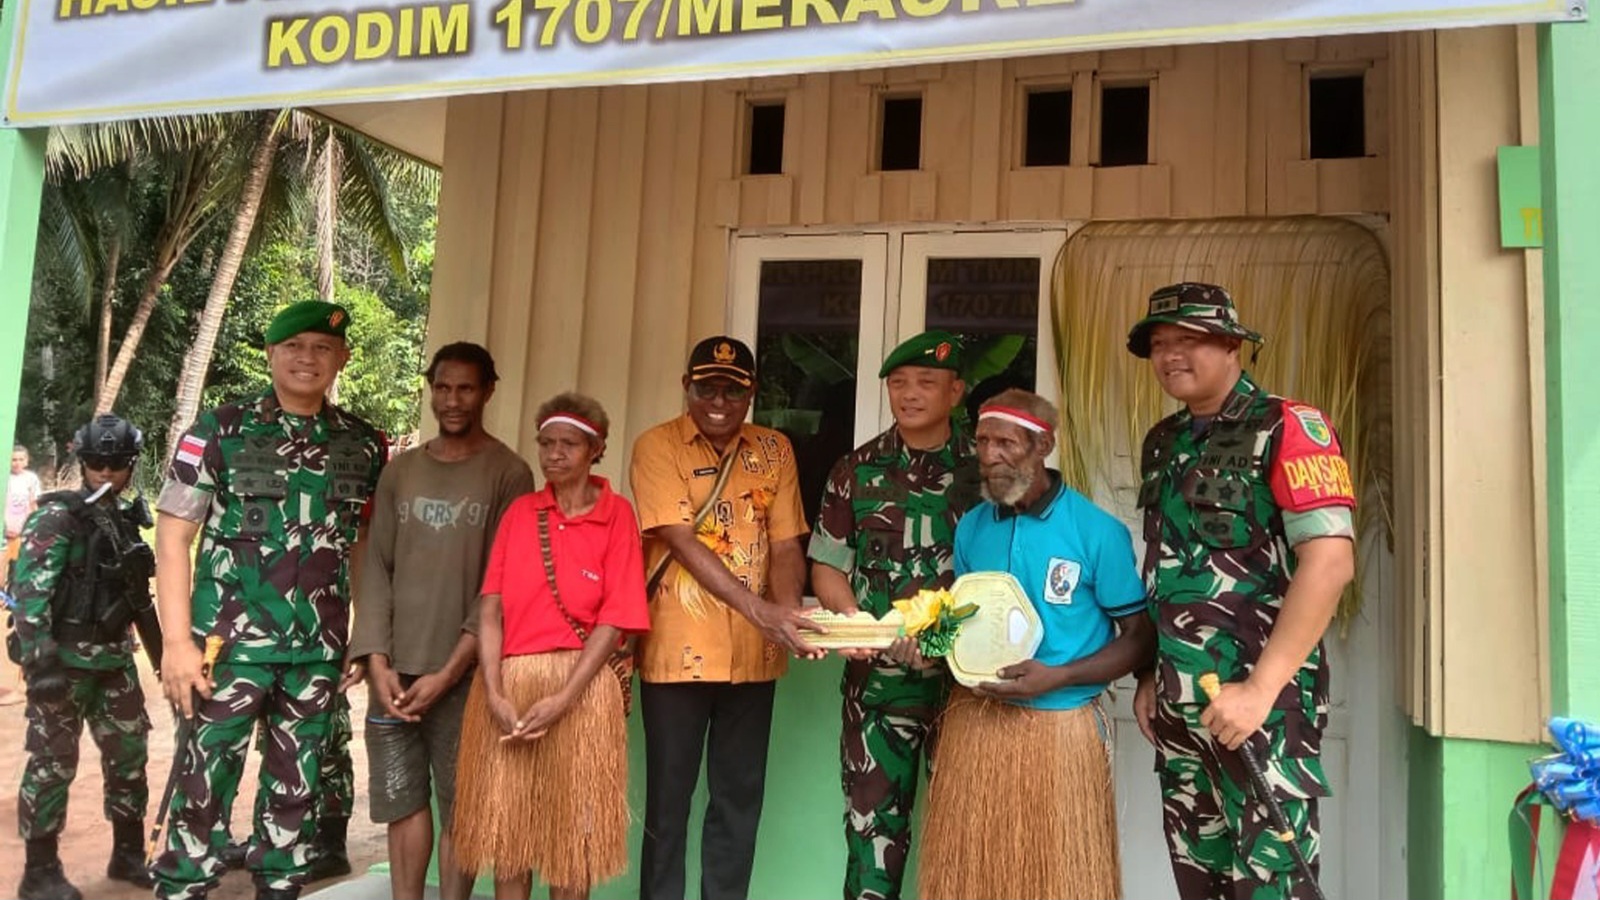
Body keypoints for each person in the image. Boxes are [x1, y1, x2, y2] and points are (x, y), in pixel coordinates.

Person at [1126, 283, 1356, 900]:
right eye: (1160, 343)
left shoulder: (1288, 426)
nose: (1171, 354)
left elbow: (1330, 563)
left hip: (1259, 711)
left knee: (1273, 883)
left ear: (1232, 345)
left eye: (1190, 339)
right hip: (1180, 706)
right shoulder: (1163, 441)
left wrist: (1259, 691)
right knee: (1200, 881)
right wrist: (1149, 674)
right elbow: (1166, 568)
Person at [151, 299, 386, 900]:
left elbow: (361, 546)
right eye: (294, 346)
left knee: (296, 794)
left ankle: (279, 887)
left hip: (316, 652)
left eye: (322, 347)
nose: (308, 358)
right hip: (226, 649)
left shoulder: (363, 445)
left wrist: (363, 635)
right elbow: (173, 539)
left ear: (342, 358)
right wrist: (176, 643)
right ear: (270, 354)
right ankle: (183, 887)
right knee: (202, 788)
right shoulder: (218, 430)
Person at [902, 389, 1152, 900]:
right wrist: (932, 642)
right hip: (977, 721)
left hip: (1061, 729)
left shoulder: (1096, 531)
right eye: (982, 442)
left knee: (1056, 879)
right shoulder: (973, 527)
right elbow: (966, 621)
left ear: (1043, 446)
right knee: (974, 876)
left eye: (1006, 443)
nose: (990, 456)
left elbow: (1140, 639)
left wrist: (1059, 676)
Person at [629, 336, 823, 900]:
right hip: (677, 653)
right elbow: (681, 540)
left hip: (755, 656)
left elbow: (785, 543)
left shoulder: (775, 449)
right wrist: (761, 610)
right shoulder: (657, 446)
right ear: (686, 387)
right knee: (668, 804)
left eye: (732, 391)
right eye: (706, 389)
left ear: (752, 393)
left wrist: (787, 612)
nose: (718, 401)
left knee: (739, 802)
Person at [348, 342, 535, 900]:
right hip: (393, 676)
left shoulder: (509, 473)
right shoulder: (401, 471)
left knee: (463, 806)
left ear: (488, 391)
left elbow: (498, 588)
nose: (452, 401)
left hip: (466, 676)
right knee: (402, 802)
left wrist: (450, 672)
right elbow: (376, 567)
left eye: (466, 389)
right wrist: (376, 658)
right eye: (443, 388)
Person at [452, 392, 649, 900]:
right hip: (511, 684)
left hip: (582, 691)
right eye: (546, 443)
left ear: (595, 449)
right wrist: (494, 692)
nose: (554, 454)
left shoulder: (617, 515)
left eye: (569, 444)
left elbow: (614, 618)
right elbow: (490, 609)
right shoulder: (521, 513)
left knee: (571, 844)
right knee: (510, 838)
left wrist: (564, 697)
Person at [807, 331, 980, 900]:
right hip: (878, 689)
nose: (909, 394)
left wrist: (942, 637)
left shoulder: (985, 472)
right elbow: (827, 567)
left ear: (955, 391)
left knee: (966, 837)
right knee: (872, 835)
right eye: (899, 383)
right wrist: (854, 619)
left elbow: (1007, 578)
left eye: (926, 382)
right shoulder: (856, 469)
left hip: (967, 687)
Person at [12, 416, 158, 900]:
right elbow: (29, 597)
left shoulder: (123, 519)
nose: (106, 472)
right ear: (82, 463)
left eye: (116, 463)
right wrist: (41, 665)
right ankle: (39, 871)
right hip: (63, 666)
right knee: (52, 764)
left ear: (130, 465)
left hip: (114, 663)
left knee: (130, 757)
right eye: (96, 462)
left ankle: (128, 853)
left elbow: (137, 598)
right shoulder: (58, 517)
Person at [7, 444, 43, 577]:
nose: (17, 463)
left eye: (21, 459)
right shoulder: (5, 477)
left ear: (26, 461)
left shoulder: (31, 478)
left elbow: (34, 503)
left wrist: (33, 526)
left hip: (22, 529)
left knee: (17, 566)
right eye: (14, 460)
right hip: (5, 530)